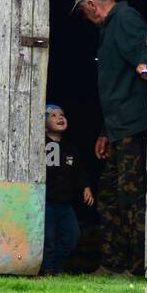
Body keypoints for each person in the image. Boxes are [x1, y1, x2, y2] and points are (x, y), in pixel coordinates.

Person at [71, 0, 147, 276]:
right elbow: (118, 86)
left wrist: (145, 65)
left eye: (82, 11)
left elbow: (145, 57)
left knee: (131, 197)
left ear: (92, 5)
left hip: (133, 127)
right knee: (108, 195)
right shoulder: (108, 29)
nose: (84, 18)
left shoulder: (125, 19)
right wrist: (105, 131)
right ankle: (112, 264)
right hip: (117, 129)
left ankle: (138, 267)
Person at [43, 103, 93, 276]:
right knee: (47, 238)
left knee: (72, 236)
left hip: (64, 203)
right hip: (46, 201)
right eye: (53, 115)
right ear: (43, 122)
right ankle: (47, 270)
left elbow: (79, 171)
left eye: (62, 114)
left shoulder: (70, 147)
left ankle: (55, 267)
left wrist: (86, 187)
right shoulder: (40, 144)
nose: (60, 118)